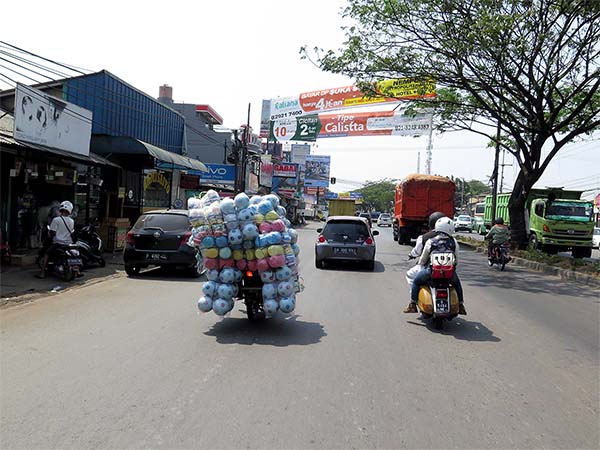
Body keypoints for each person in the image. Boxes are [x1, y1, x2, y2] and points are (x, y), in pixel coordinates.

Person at [403, 217, 466, 315]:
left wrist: (421, 264)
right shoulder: (454, 242)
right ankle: (461, 306)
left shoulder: (431, 241)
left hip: (431, 272)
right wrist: (452, 268)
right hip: (449, 274)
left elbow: (423, 258)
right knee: (457, 285)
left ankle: (412, 305)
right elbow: (456, 259)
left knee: (416, 282)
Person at [405, 211, 446, 292]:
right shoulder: (452, 239)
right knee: (456, 284)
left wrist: (411, 255)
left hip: (429, 268)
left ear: (430, 223)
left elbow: (418, 253)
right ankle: (460, 303)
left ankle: (413, 301)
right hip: (447, 270)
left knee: (410, 276)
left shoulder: (424, 238)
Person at [37, 201, 75, 278]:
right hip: (68, 243)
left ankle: (42, 273)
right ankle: (77, 271)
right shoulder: (72, 221)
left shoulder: (56, 220)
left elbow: (52, 233)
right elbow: (71, 232)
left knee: (47, 254)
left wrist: (50, 236)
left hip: (58, 243)